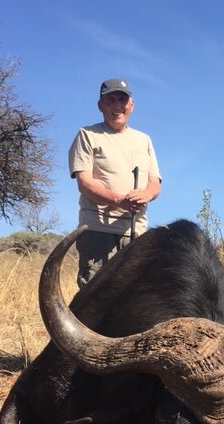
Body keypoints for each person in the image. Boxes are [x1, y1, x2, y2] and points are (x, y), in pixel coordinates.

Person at [69, 78, 162, 286]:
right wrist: (119, 200)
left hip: (136, 232)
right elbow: (84, 183)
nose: (117, 105)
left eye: (122, 99)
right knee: (94, 296)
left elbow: (155, 182)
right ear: (100, 106)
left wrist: (146, 194)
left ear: (131, 105)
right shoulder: (88, 135)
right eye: (111, 100)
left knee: (135, 297)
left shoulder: (144, 140)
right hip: (97, 230)